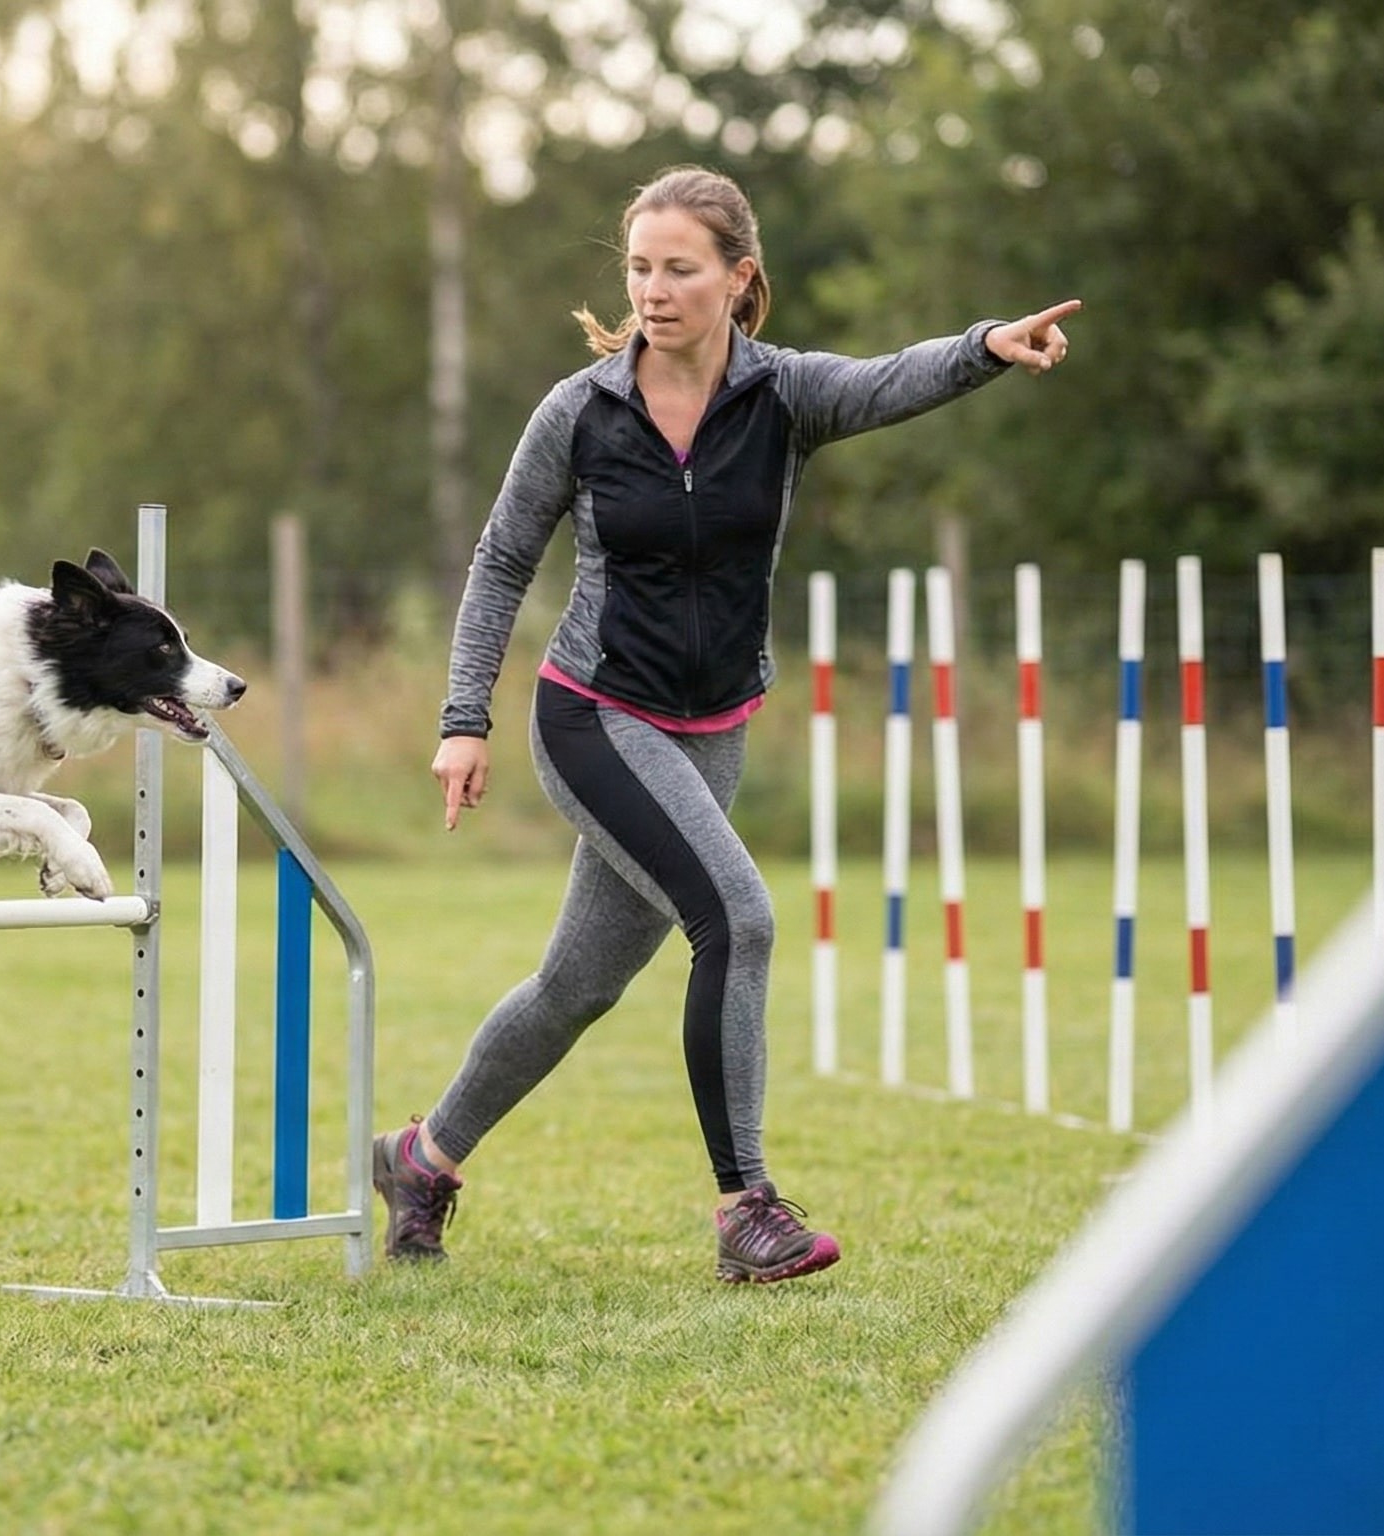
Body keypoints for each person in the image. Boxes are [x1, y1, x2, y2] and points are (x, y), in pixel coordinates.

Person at [372, 165, 1077, 1283]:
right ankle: (747, 1208)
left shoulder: (785, 395)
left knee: (577, 987)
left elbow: (889, 379)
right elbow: (502, 559)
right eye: (641, 268)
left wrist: (985, 346)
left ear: (738, 279)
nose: (653, 290)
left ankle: (421, 1158)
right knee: (738, 921)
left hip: (713, 725)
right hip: (595, 714)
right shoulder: (580, 409)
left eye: (680, 269)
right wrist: (465, 717)